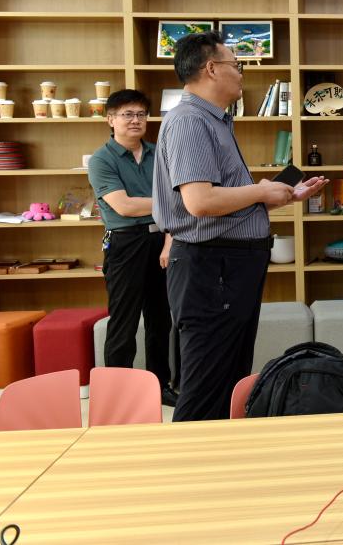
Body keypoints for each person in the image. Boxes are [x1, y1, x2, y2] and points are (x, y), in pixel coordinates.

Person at [152, 31, 326, 422]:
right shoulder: (190, 121)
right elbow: (200, 202)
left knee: (228, 380)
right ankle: (193, 458)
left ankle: (221, 455)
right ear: (212, 69)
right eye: (237, 64)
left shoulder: (213, 120)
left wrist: (281, 195)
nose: (241, 73)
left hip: (224, 267)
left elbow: (224, 201)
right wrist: (261, 191)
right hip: (211, 267)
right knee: (206, 385)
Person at [88, 89, 176, 407]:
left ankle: (160, 384)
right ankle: (117, 394)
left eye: (141, 114)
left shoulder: (159, 153)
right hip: (125, 244)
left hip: (162, 239)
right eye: (127, 114)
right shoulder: (102, 159)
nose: (135, 120)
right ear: (111, 120)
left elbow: (179, 201)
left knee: (160, 319)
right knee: (123, 322)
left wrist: (169, 239)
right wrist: (169, 202)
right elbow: (123, 206)